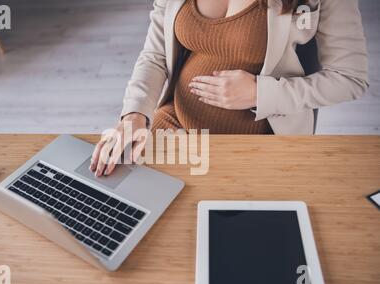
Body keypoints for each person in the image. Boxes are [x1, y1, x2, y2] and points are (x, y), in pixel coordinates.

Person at [90, 0, 369, 176]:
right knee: (114, 205)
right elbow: (155, 55)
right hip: (173, 122)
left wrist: (260, 93)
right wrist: (134, 116)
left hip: (253, 145)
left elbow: (349, 78)